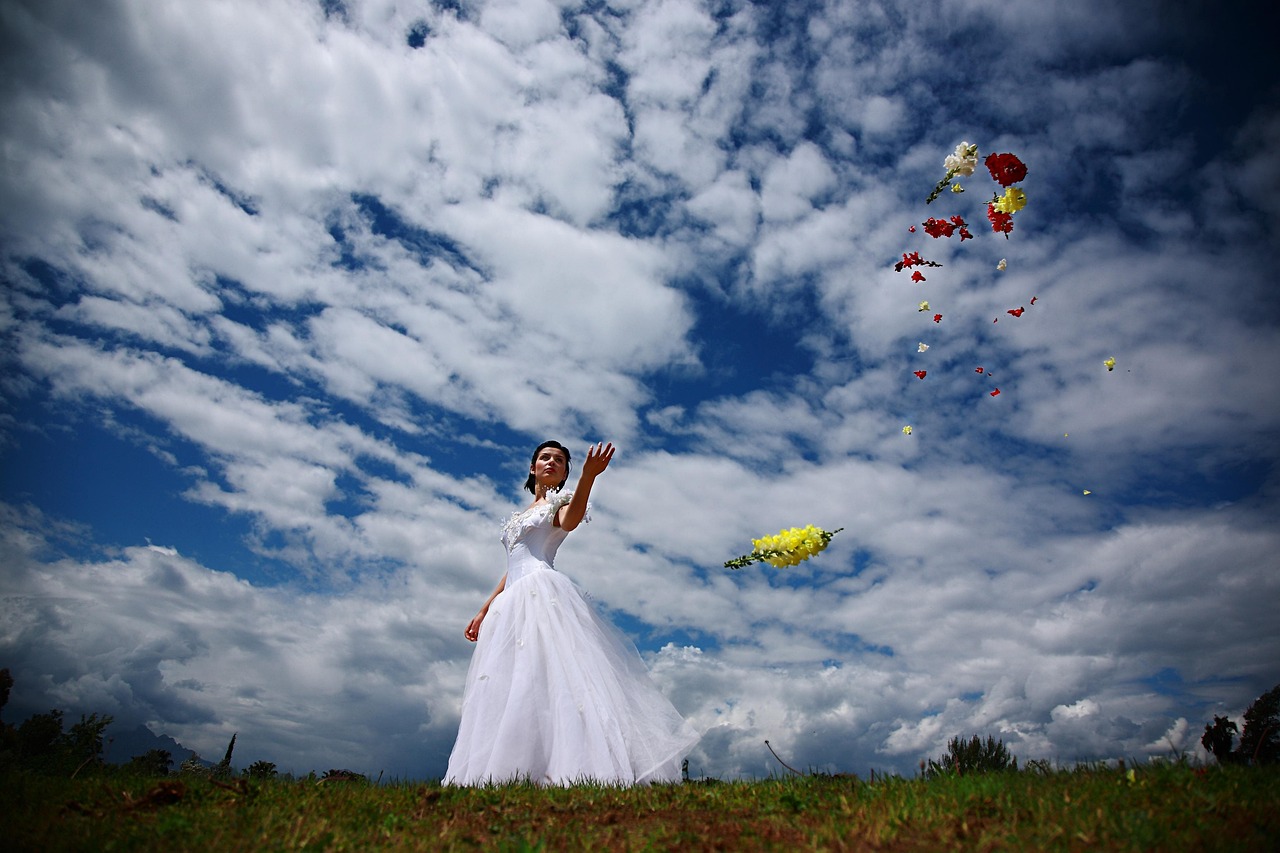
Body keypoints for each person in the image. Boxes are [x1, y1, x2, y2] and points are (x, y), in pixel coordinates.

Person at [444, 440, 700, 786]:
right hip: (512, 603)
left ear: (565, 472)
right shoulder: (520, 515)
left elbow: (571, 520)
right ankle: (517, 772)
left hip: (542, 596)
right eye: (545, 457)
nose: (552, 462)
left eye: (560, 460)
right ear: (533, 467)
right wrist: (484, 608)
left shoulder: (559, 503)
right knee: (513, 685)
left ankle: (575, 769)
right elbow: (513, 563)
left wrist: (589, 477)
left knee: (555, 681)